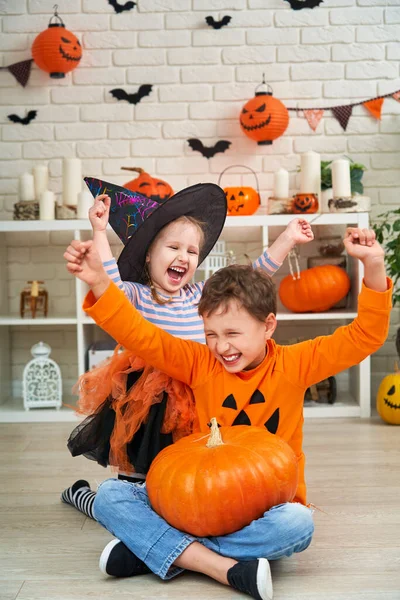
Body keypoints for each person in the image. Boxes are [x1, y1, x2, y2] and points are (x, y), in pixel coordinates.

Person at [64, 226, 391, 600]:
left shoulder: (299, 363)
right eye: (211, 334)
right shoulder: (199, 364)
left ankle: (167, 552)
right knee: (109, 496)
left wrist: (374, 264)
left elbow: (365, 334)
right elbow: (140, 334)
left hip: (268, 505)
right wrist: (100, 283)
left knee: (298, 524)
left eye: (233, 333)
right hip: (199, 501)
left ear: (268, 325)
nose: (221, 347)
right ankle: (223, 567)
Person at [61, 177, 314, 522]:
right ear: (149, 253)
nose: (184, 257)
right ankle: (95, 501)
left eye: (191, 252)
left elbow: (252, 276)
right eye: (173, 248)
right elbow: (109, 286)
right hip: (149, 399)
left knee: (186, 474)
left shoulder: (200, 296)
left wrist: (287, 239)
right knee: (140, 482)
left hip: (197, 391)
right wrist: (100, 232)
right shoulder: (135, 294)